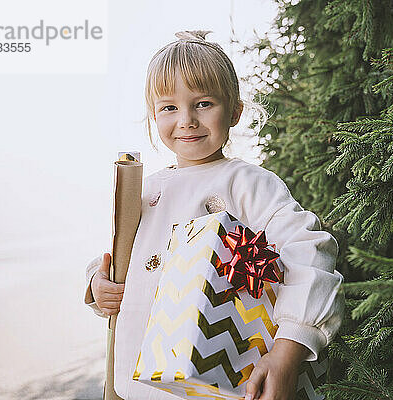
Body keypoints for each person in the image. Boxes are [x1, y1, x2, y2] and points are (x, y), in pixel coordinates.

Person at [84, 30, 345, 400]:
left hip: (219, 385)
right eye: (169, 107)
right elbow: (121, 258)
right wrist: (98, 284)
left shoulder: (246, 183)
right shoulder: (142, 191)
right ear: (153, 117)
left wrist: (288, 350)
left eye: (203, 103)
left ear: (235, 110)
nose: (187, 120)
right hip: (136, 387)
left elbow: (309, 253)